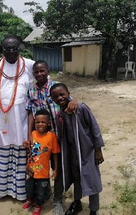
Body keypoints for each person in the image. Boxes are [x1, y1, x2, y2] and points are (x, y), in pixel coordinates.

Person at [0, 34, 35, 201]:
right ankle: (1, 190)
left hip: (22, 118)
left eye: (15, 48)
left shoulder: (29, 64)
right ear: (2, 49)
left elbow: (42, 82)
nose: (11, 51)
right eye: (8, 49)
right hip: (1, 117)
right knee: (3, 152)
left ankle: (19, 191)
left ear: (20, 49)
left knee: (21, 150)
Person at [26, 60, 77, 215]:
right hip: (39, 137)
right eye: (36, 71)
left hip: (58, 135)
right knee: (38, 164)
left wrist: (74, 101)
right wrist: (29, 134)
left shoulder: (56, 86)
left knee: (57, 168)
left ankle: (57, 199)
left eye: (42, 70)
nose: (39, 74)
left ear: (48, 70)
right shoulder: (31, 90)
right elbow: (30, 113)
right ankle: (43, 192)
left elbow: (70, 100)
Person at [50, 83, 104, 215]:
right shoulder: (59, 116)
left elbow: (94, 128)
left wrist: (98, 150)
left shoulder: (81, 108)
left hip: (87, 151)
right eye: (56, 97)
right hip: (72, 153)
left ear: (69, 93)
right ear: (53, 100)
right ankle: (77, 202)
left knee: (92, 179)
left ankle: (93, 209)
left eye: (62, 94)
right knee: (76, 178)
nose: (60, 98)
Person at [22, 109, 60, 215]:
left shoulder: (51, 136)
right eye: (37, 122)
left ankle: (38, 205)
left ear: (48, 123)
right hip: (30, 170)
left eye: (43, 122)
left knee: (41, 191)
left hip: (43, 172)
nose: (40, 124)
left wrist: (56, 170)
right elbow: (31, 150)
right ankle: (30, 199)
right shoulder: (32, 134)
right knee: (29, 187)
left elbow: (55, 154)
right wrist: (26, 146)